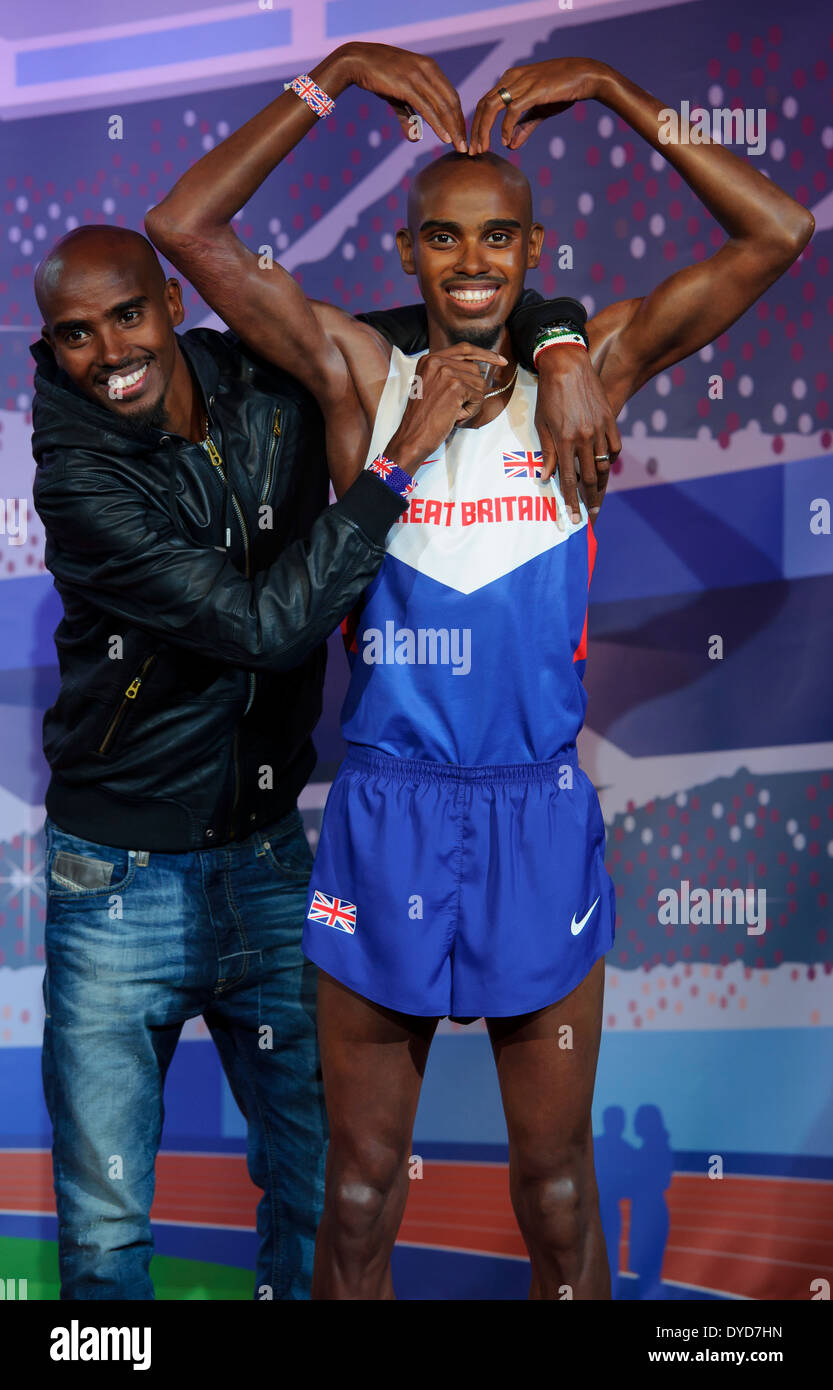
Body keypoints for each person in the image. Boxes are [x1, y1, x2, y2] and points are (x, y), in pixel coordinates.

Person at [145, 42, 813, 1299]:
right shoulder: (358, 373)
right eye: (441, 238)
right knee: (354, 1194)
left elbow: (775, 231)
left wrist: (620, 93)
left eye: (496, 238)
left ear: (531, 253)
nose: (468, 263)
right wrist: (330, 76)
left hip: (534, 816)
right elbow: (183, 225)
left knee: (557, 1191)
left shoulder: (591, 373)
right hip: (386, 813)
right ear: (405, 253)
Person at [31, 216, 600, 1295]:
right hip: (116, 880)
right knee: (106, 1234)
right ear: (45, 350)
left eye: (126, 314)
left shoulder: (262, 374)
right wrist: (398, 461)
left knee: (320, 1193)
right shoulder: (74, 475)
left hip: (269, 862)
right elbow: (261, 626)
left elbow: (463, 306)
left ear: (167, 303)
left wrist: (561, 338)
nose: (108, 352)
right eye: (73, 335)